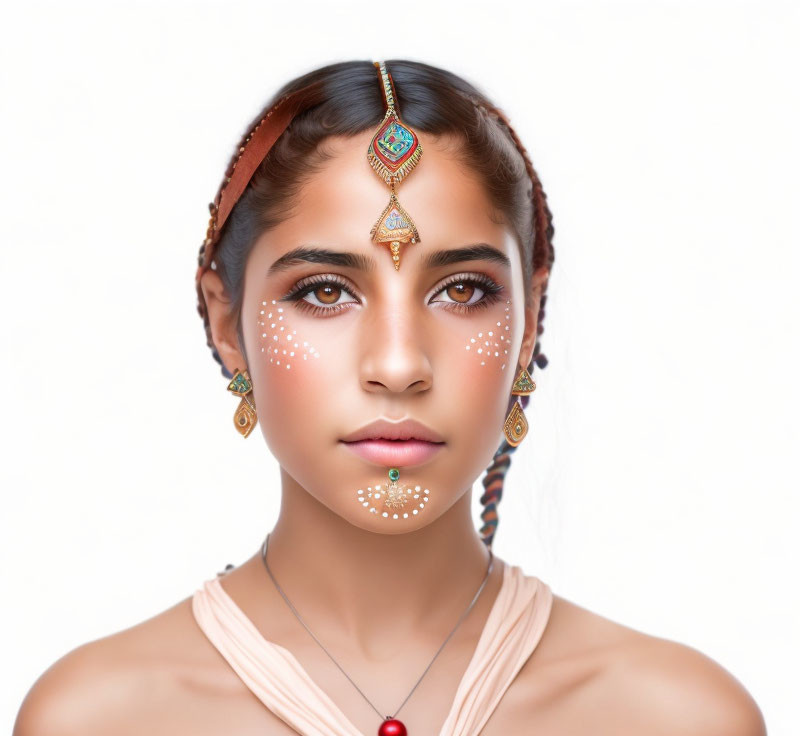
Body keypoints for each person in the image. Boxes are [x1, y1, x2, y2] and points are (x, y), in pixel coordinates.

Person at [14, 59, 765, 736]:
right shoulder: (97, 718)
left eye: (462, 290)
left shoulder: (679, 716)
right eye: (325, 291)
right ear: (226, 323)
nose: (399, 364)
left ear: (530, 318)